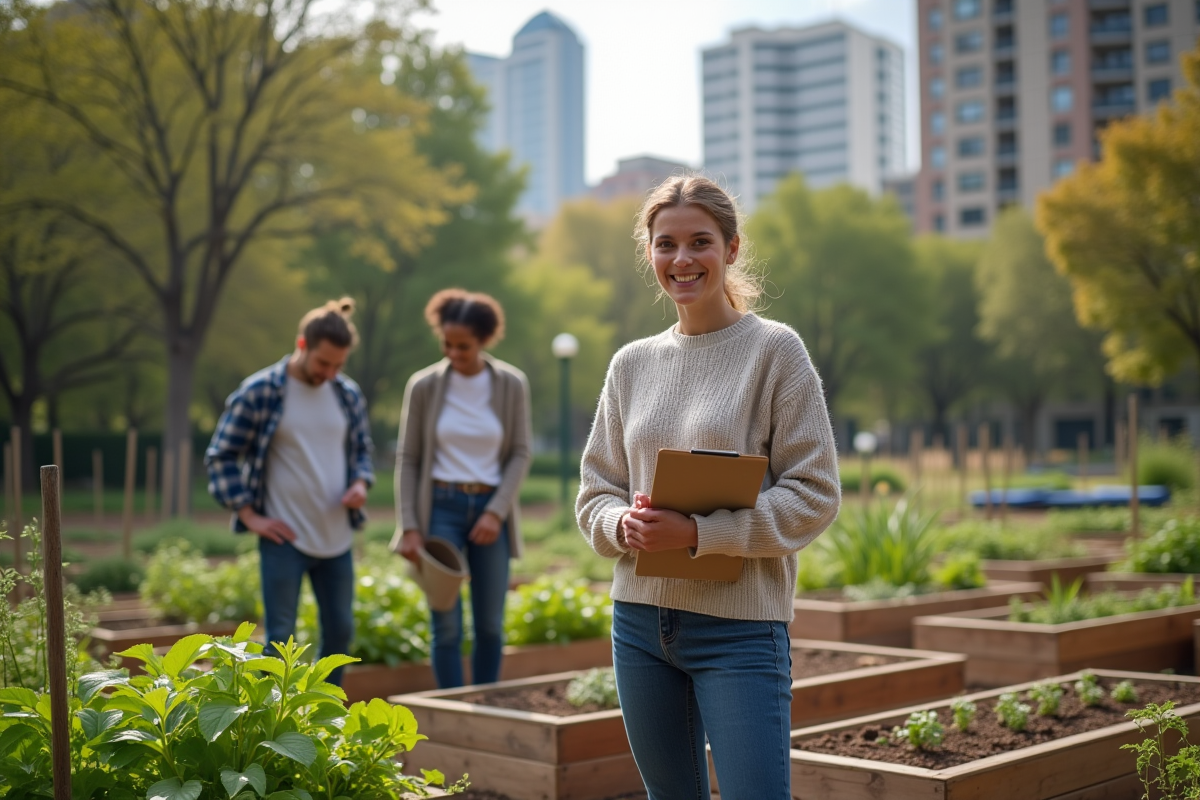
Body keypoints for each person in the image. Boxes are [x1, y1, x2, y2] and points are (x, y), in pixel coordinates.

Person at [575, 175, 841, 799]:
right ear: (650, 254)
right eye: (666, 244)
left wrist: (700, 533)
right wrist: (622, 525)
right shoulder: (630, 364)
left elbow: (814, 493)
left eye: (700, 242)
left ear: (732, 248)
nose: (683, 259)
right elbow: (595, 491)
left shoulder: (775, 352)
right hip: (639, 622)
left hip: (740, 628)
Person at [205, 298, 373, 686]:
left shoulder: (346, 394)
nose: (330, 373)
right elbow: (221, 455)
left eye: (339, 365)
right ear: (302, 346)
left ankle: (321, 722)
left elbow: (363, 450)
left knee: (340, 636)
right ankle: (272, 738)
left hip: (337, 537)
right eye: (323, 364)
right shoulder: (261, 391)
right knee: (279, 641)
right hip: (285, 537)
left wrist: (360, 483)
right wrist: (248, 514)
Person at [394, 288, 532, 688]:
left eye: (464, 346)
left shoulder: (510, 384)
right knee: (447, 625)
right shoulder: (422, 386)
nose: (454, 353)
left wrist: (496, 511)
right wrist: (409, 525)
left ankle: (486, 705)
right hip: (440, 509)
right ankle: (453, 709)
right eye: (447, 344)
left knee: (489, 625)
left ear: (485, 340)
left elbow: (521, 453)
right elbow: (409, 458)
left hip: (491, 511)